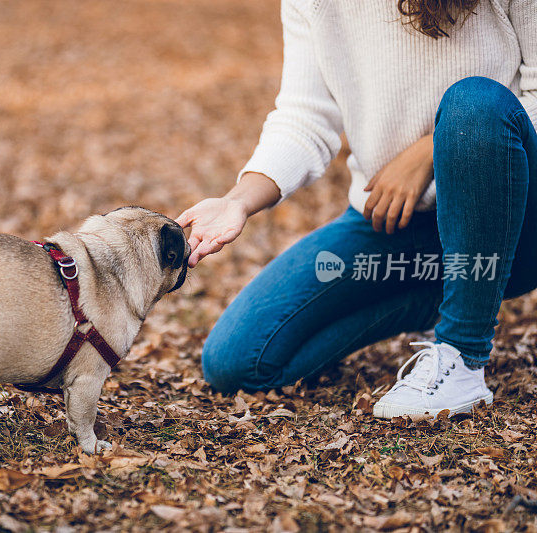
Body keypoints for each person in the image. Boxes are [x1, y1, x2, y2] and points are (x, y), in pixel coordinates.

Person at [177, 0, 537, 418]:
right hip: (395, 222)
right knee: (237, 360)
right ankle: (466, 291)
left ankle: (462, 356)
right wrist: (235, 201)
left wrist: (431, 149)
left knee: (473, 104)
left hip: (511, 222)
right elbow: (303, 118)